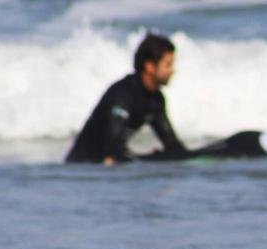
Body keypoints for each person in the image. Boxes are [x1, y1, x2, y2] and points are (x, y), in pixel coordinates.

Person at [65, 33, 188, 164]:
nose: (173, 70)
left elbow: (173, 145)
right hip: (84, 167)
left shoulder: (155, 99)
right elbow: (113, 145)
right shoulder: (123, 93)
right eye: (168, 65)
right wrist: (150, 159)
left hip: (110, 163)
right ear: (150, 66)